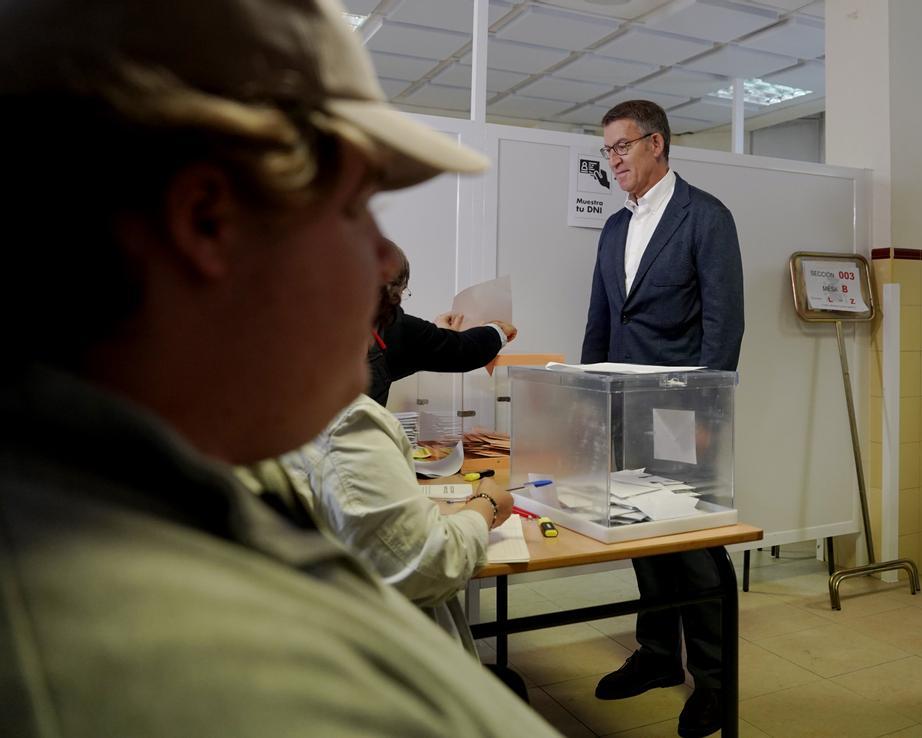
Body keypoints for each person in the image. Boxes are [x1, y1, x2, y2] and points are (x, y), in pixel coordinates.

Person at [0, 1, 556, 736]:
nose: (386, 262)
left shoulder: (180, 475)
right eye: (358, 205)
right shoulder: (212, 682)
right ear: (209, 221)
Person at [581, 99, 744, 738]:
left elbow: (724, 322)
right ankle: (656, 655)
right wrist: (587, 397)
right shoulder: (615, 229)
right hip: (620, 405)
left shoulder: (705, 217)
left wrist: (707, 409)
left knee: (692, 547)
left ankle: (713, 680)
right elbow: (602, 319)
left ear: (657, 144)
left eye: (622, 147)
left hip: (682, 407)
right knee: (641, 538)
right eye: (608, 150)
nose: (613, 160)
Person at [369, 241, 517, 405]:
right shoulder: (392, 326)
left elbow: (407, 354)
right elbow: (464, 351)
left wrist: (436, 334)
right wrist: (497, 330)